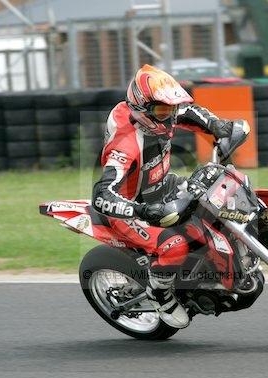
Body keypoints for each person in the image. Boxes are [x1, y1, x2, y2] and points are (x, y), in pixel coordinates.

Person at [91, 64, 236, 329]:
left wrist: (217, 125)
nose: (170, 116)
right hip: (132, 205)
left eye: (171, 108)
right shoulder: (125, 144)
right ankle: (161, 295)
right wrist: (142, 211)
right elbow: (101, 195)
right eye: (163, 110)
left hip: (160, 185)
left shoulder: (159, 113)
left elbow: (187, 111)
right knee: (174, 244)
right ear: (142, 109)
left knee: (217, 198)